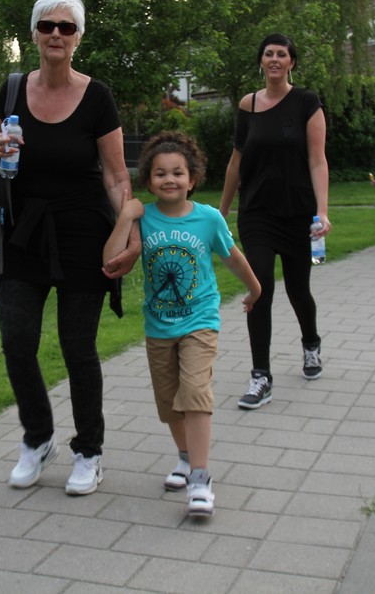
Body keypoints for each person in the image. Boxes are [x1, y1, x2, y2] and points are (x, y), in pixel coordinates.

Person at [0, 0, 139, 496]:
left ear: (77, 39)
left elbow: (116, 176)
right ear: (34, 34)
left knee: (78, 347)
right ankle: (38, 437)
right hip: (22, 232)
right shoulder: (11, 91)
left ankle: (89, 452)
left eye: (66, 27)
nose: (56, 34)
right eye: (47, 25)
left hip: (83, 233)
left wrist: (130, 233)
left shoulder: (98, 97)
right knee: (16, 341)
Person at [103, 131, 261, 516]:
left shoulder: (208, 219)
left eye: (177, 172)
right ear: (149, 180)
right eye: (160, 173)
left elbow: (232, 257)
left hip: (199, 321)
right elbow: (110, 260)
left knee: (194, 393)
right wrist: (126, 216)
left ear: (192, 179)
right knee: (169, 404)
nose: (169, 179)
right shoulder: (143, 218)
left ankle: (201, 479)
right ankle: (186, 457)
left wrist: (255, 289)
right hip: (158, 326)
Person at [219, 33, 331, 410]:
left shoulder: (307, 103)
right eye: (268, 53)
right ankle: (261, 376)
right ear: (261, 61)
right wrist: (222, 211)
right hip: (257, 213)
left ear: (291, 62)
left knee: (299, 290)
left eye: (282, 54)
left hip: (298, 212)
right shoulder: (248, 105)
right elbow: (236, 161)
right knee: (260, 287)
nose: (274, 59)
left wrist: (322, 211)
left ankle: (311, 344)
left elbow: (318, 160)